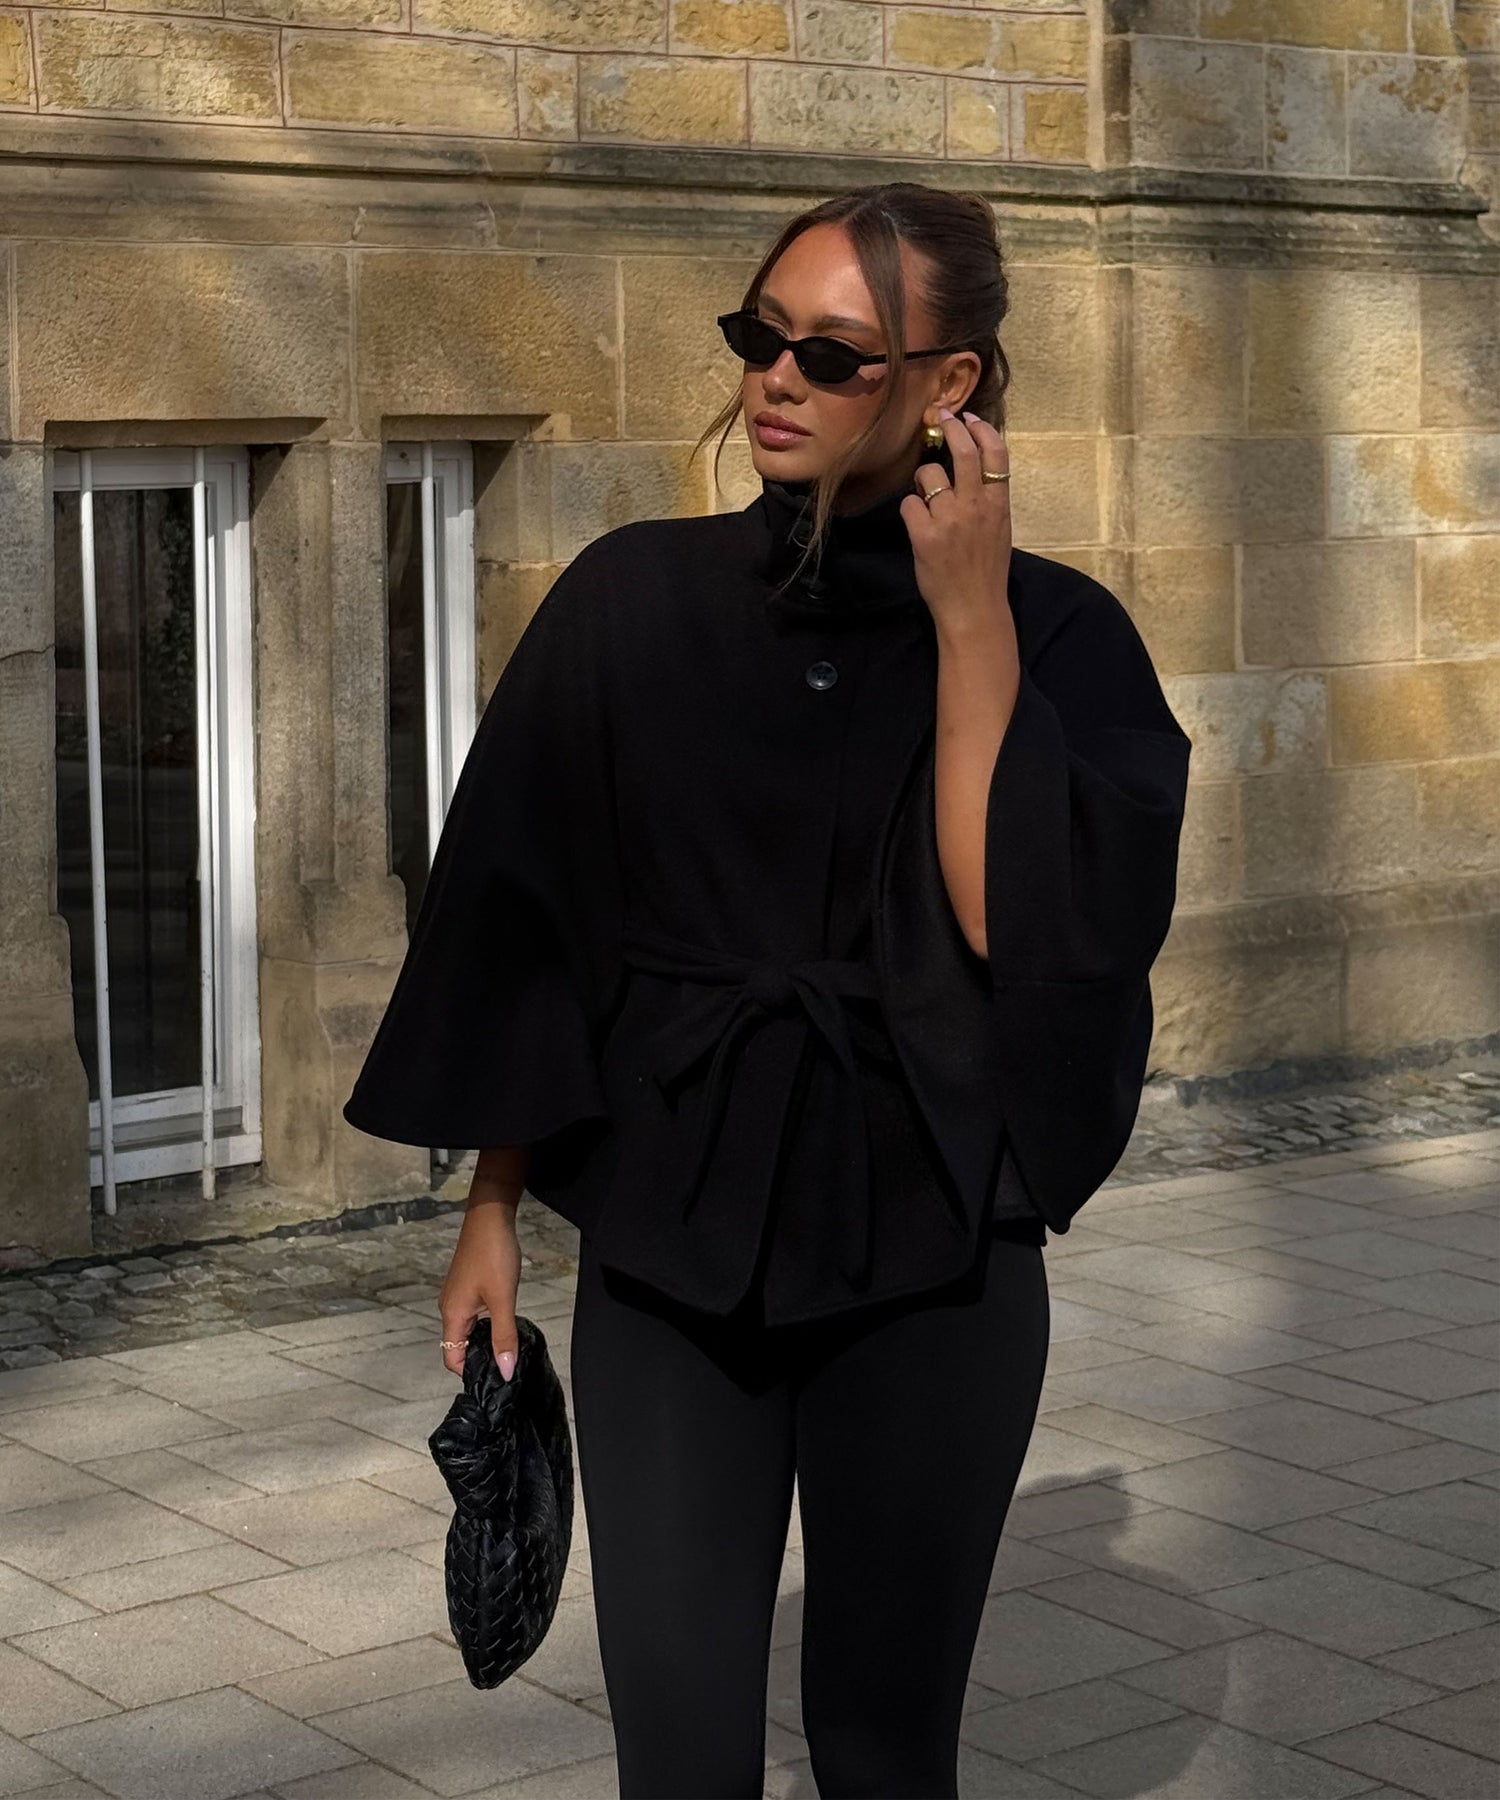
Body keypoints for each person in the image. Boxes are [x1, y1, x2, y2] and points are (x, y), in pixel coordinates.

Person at [344, 181, 1192, 1798]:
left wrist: (970, 623)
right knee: (677, 1755)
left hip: (934, 1253)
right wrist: (493, 1206)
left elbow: (1019, 927)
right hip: (670, 1245)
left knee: (882, 1749)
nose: (776, 379)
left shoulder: (1064, 632)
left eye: (834, 354)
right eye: (759, 336)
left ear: (950, 383)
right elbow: (529, 915)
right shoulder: (630, 597)